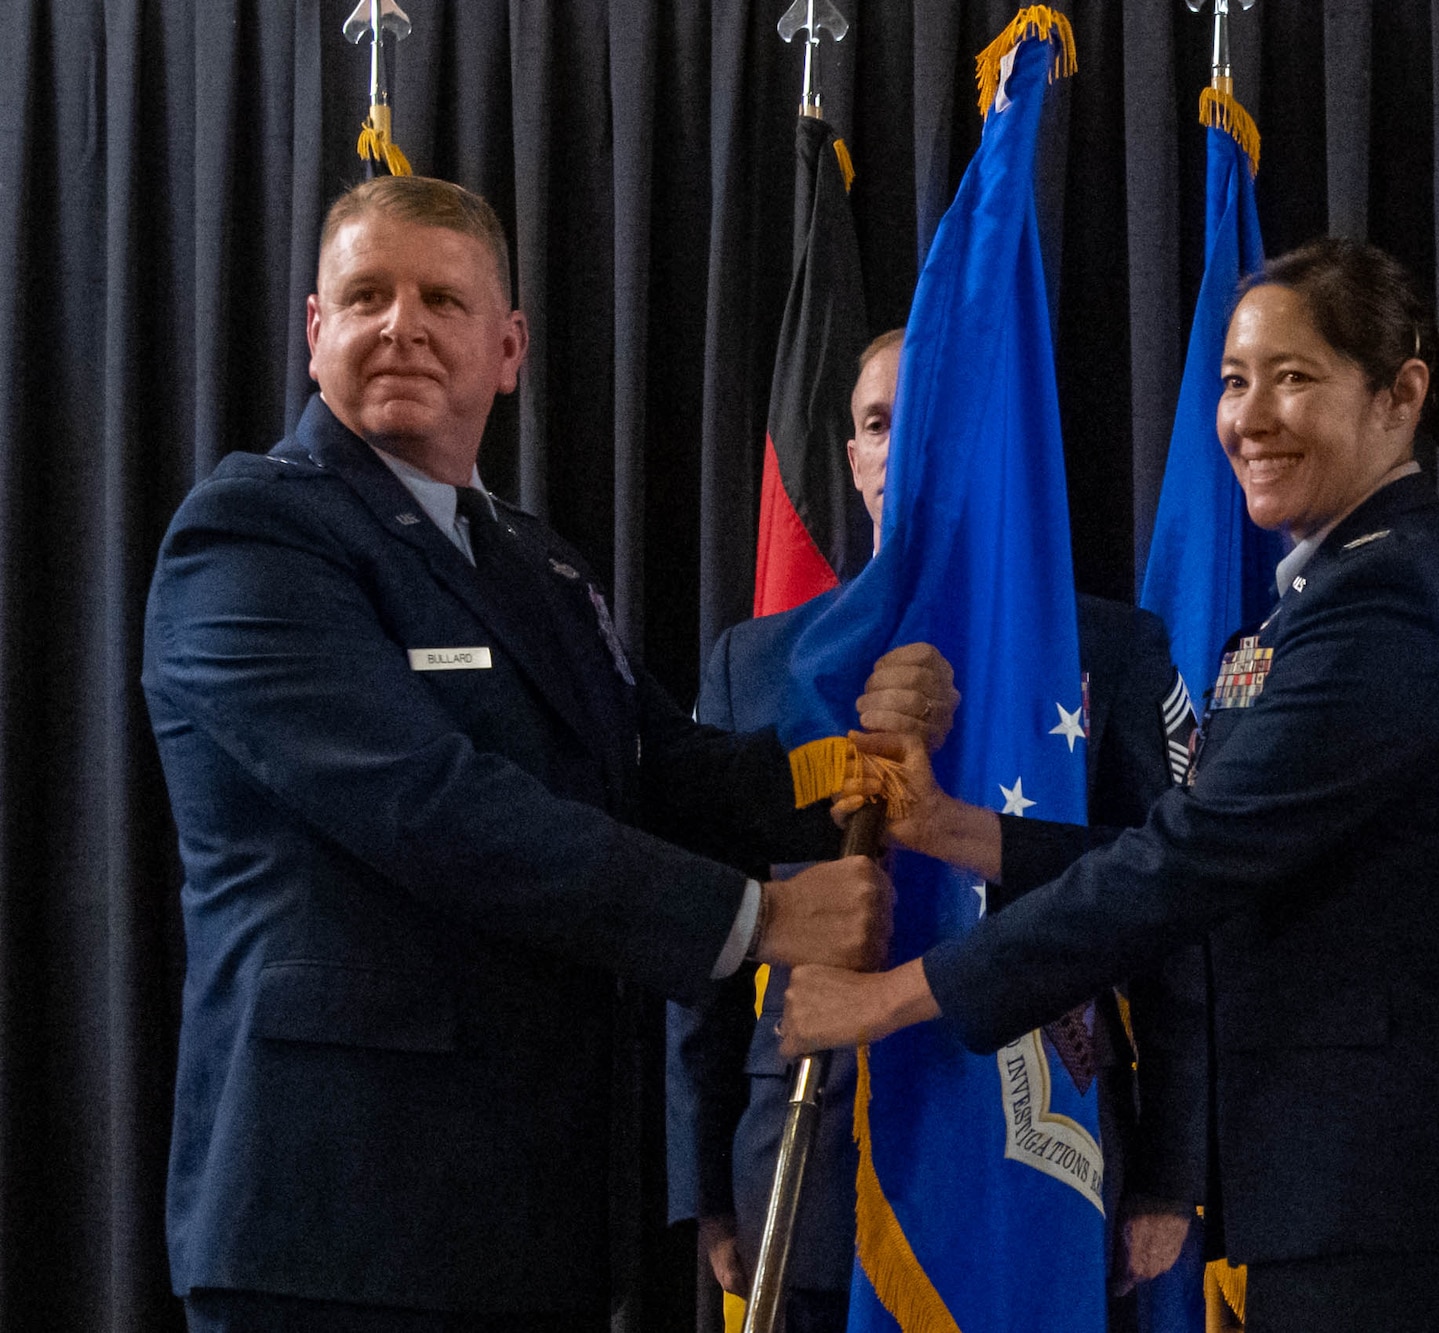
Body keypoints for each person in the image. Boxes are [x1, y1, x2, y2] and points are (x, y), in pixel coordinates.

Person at [141, 176, 954, 1332]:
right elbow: (430, 804)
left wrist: (851, 771)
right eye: (365, 296)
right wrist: (755, 921)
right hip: (335, 1221)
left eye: (443, 300)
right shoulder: (251, 536)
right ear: (315, 330)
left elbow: (660, 768)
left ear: (508, 347)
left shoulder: (539, 563)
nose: (402, 326)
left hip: (536, 1215)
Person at [780, 237, 1439, 1329]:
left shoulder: (1389, 607)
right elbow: (1208, 843)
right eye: (1235, 381)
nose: (1248, 417)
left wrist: (891, 998)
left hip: (1386, 1193)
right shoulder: (1331, 588)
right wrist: (956, 831)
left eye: (1293, 377)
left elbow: (1186, 865)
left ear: (1400, 394)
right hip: (1333, 1183)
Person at [667, 328, 1209, 1332]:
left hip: (1033, 1155)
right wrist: (701, 1178)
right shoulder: (756, 662)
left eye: (936, 425)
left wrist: (1170, 1176)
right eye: (879, 425)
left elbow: (1171, 916)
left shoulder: (1112, 650)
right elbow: (711, 926)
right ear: (854, 459)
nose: (906, 450)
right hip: (812, 1148)